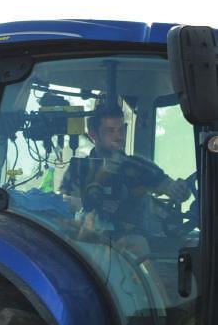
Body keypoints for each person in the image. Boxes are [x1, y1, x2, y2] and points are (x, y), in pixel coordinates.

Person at [61, 103, 190, 250]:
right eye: (110, 131)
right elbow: (65, 204)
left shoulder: (139, 166)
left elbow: (169, 186)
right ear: (93, 134)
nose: (119, 136)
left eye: (121, 129)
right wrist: (91, 204)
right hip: (87, 245)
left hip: (130, 250)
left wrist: (180, 190)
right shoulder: (78, 168)